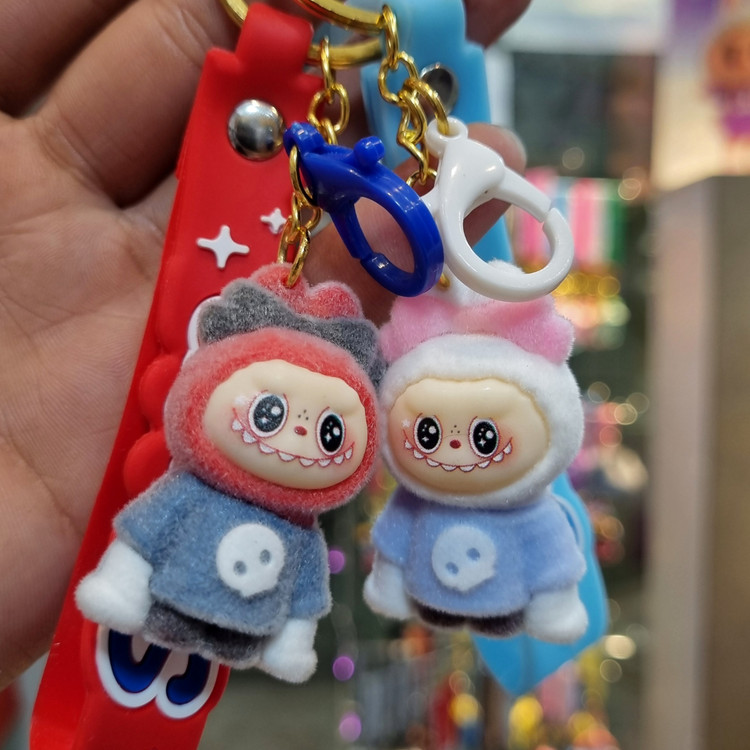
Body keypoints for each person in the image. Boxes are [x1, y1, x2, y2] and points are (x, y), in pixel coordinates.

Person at [0, 0, 530, 689]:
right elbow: (144, 540)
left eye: (330, 430)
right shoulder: (194, 488)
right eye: (274, 415)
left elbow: (304, 593)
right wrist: (123, 588)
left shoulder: (294, 523)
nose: (299, 436)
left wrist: (294, 638)